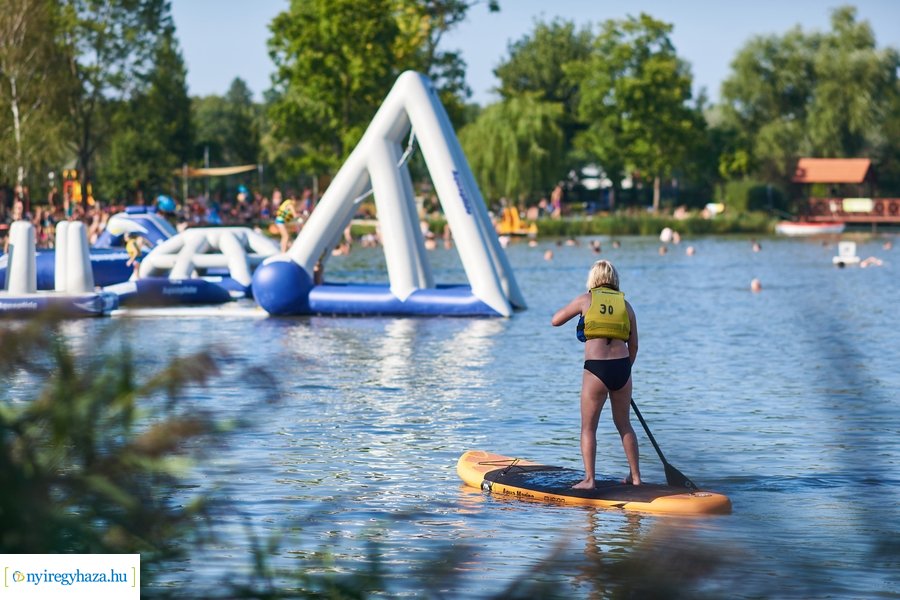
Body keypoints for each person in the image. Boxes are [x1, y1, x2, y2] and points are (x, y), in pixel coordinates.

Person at [551, 260, 640, 489]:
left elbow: (555, 320)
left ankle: (589, 480)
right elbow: (634, 346)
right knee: (625, 425)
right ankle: (636, 478)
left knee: (588, 428)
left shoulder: (586, 299)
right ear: (614, 279)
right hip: (622, 369)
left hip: (596, 370)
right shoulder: (626, 306)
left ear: (592, 280)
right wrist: (625, 373)